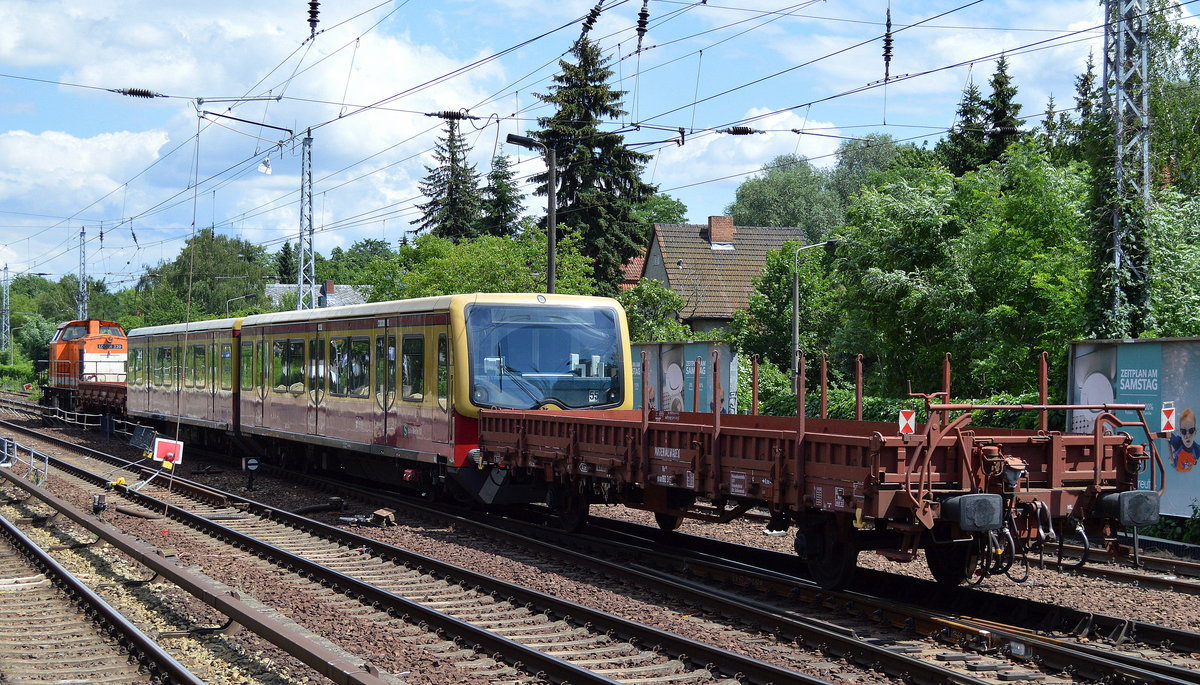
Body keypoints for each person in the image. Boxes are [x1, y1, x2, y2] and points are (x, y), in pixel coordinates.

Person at [1170, 408, 1197, 473]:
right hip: (1176, 466)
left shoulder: (1197, 448)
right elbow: (1168, 434)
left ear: (1195, 432)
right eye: (1184, 431)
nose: (1187, 435)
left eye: (1191, 431)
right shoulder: (1177, 442)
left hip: (1187, 467)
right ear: (1180, 434)